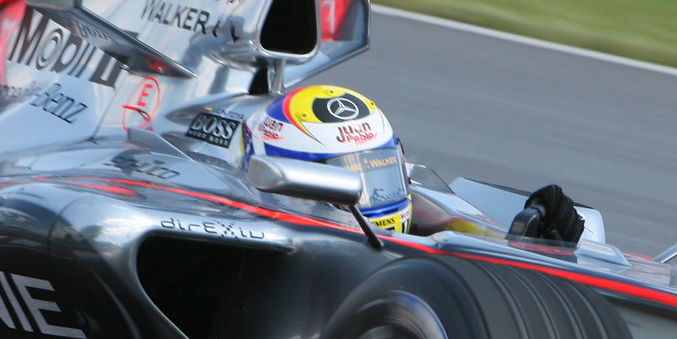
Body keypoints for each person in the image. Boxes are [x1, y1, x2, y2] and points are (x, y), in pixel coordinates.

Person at [242, 84, 584, 243]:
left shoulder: (421, 213)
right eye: (350, 178)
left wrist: (528, 242)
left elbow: (436, 219)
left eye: (382, 173)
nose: (376, 195)